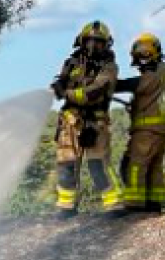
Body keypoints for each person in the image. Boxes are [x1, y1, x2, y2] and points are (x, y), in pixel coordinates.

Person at [50, 20, 126, 220]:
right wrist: (58, 83)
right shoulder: (71, 63)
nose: (93, 46)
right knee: (66, 165)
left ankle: (113, 204)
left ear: (106, 44)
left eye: (98, 42)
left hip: (95, 122)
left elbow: (95, 91)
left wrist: (66, 93)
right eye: (89, 41)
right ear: (81, 42)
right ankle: (66, 206)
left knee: (97, 165)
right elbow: (63, 80)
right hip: (70, 121)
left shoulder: (110, 67)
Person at [116, 34, 165, 213]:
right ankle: (153, 204)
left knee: (135, 165)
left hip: (148, 130)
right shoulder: (164, 71)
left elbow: (133, 84)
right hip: (161, 128)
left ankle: (135, 206)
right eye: (140, 55)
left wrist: (107, 84)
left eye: (145, 55)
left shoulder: (154, 74)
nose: (142, 60)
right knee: (153, 167)